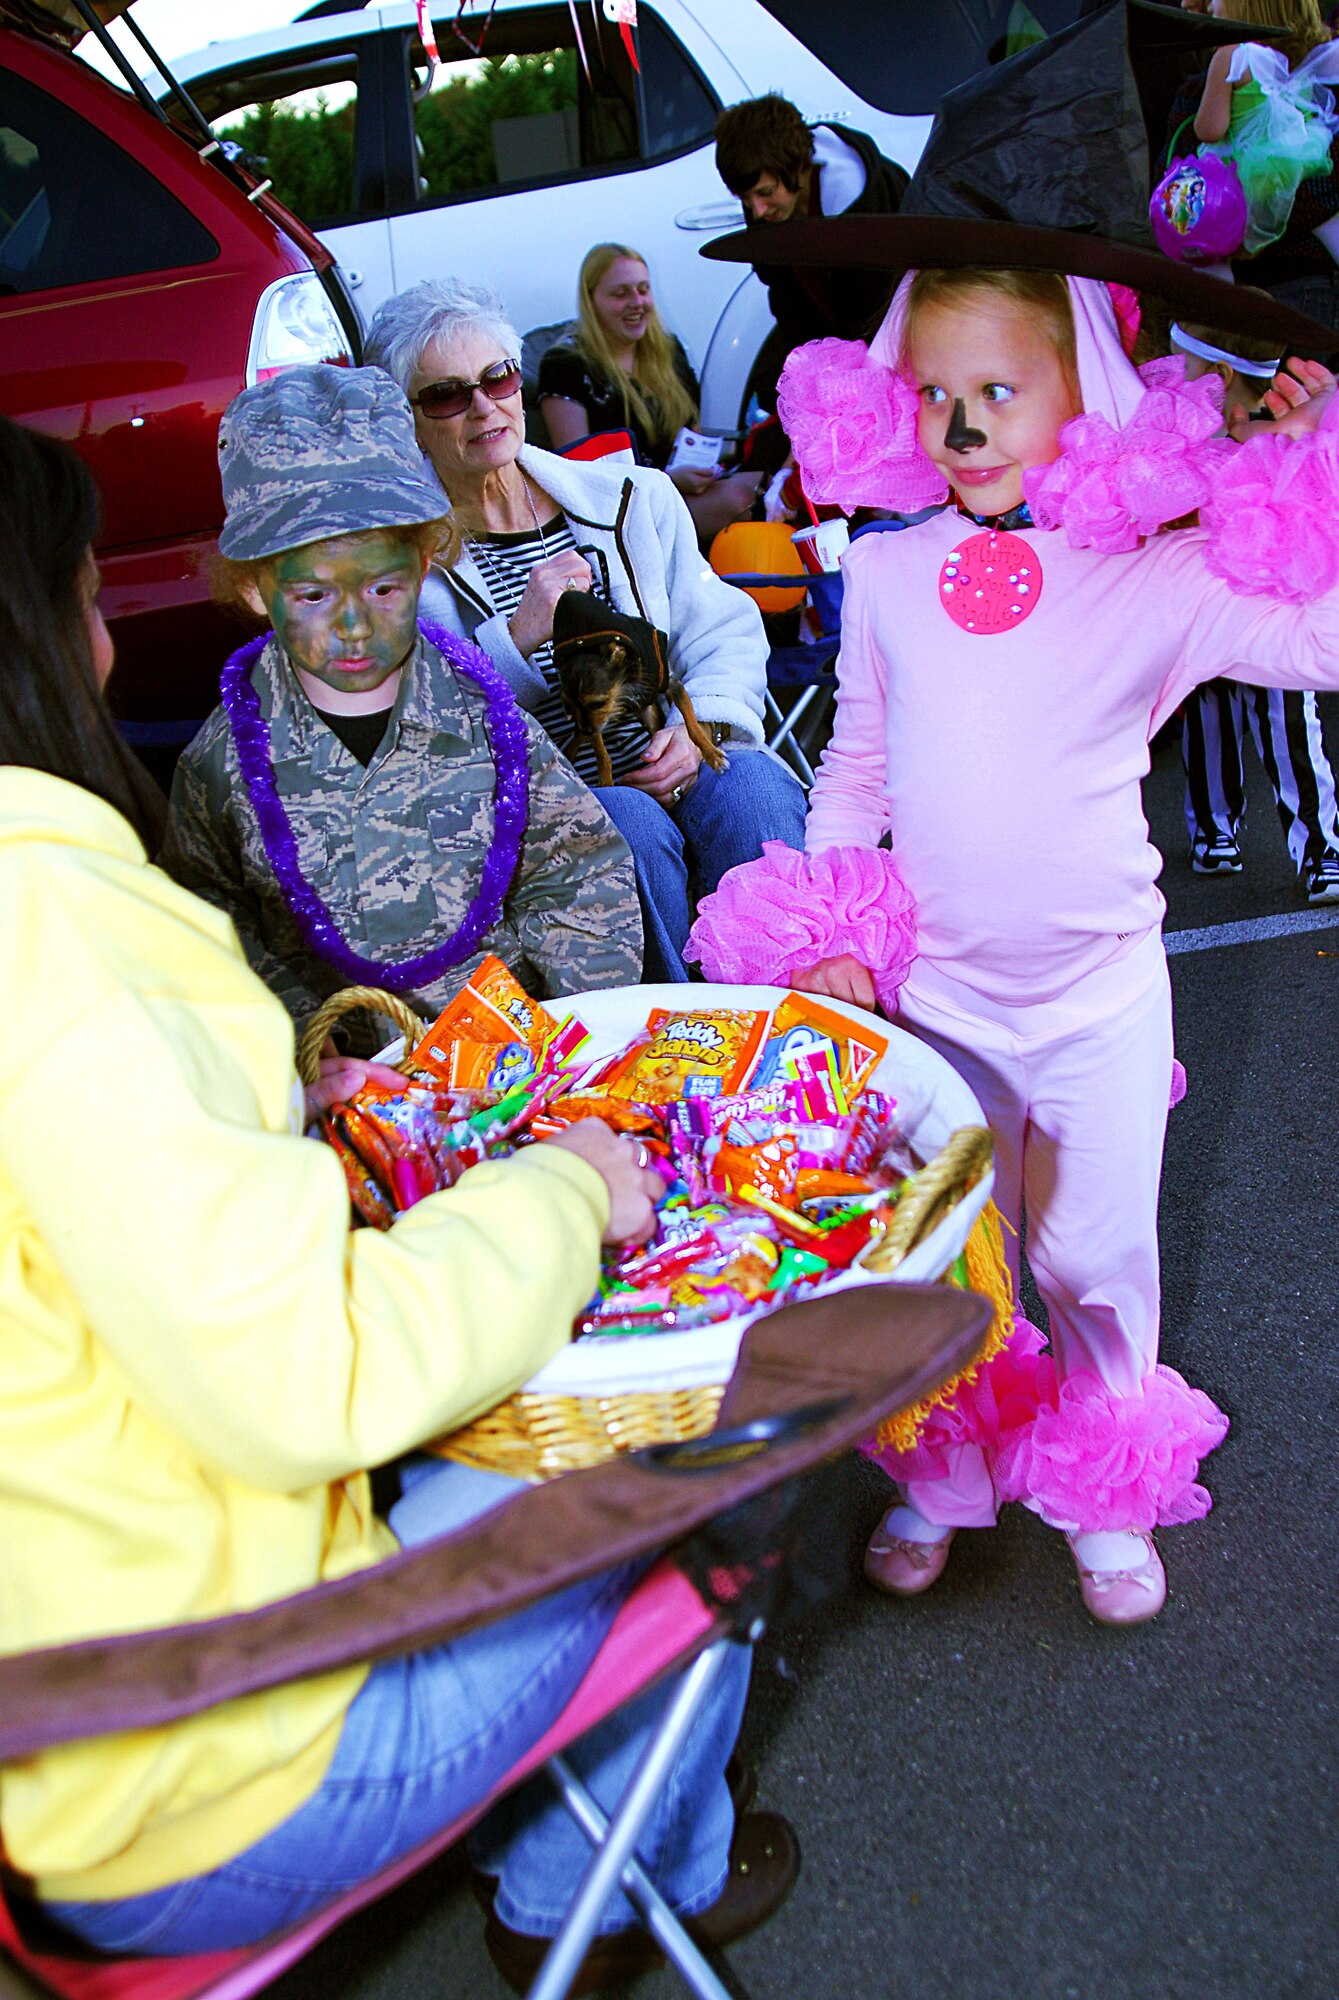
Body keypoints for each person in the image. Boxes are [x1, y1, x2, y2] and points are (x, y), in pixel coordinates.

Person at [0, 410, 798, 1986]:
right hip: (184, 1760)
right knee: (702, 1437)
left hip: (89, 1653)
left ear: (422, 567)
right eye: (87, 600)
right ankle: (606, 1885)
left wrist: (372, 1084)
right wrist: (562, 1192)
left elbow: (100, 1191)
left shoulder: (473, 717)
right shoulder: (78, 934)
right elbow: (313, 1377)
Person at [690, 265, 1339, 1625]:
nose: (962, 425)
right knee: (956, 1252)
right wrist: (834, 924)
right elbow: (855, 767)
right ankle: (948, 1473)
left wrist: (1307, 455)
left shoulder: (1145, 573)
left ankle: (1103, 1486)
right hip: (937, 999)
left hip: (1098, 995)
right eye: (933, 394)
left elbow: (1319, 640)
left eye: (998, 391)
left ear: (1082, 395)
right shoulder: (880, 572)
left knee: (1092, 1257)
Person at [162, 365, 642, 1036]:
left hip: (503, 1068)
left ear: (421, 567)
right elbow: (206, 932)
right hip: (344, 1090)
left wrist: (559, 1024)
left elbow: (580, 869)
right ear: (254, 594)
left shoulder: (487, 719)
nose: (354, 623)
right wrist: (300, 1050)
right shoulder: (222, 763)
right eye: (313, 595)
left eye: (383, 589)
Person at [365, 277, 807, 985]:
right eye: (447, 395)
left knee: (753, 783)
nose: (483, 407)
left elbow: (721, 631)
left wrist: (703, 735)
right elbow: (422, 733)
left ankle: (794, 1023)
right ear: (408, 419)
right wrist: (515, 639)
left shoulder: (630, 498)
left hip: (673, 753)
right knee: (625, 823)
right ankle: (674, 1038)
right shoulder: (402, 567)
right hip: (554, 806)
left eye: (497, 378)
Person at [1171, 312, 1339, 899]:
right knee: (1207, 714)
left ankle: (1321, 844)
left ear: (1218, 372)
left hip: (1269, 603)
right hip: (1204, 608)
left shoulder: (1276, 434)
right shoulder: (1177, 440)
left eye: (1185, 367)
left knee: (1289, 716)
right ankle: (1215, 829)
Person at [537, 242, 762, 545]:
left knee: (768, 482)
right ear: (591, 301)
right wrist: (669, 482)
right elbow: (580, 478)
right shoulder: (565, 365)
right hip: (623, 518)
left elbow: (693, 436)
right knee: (741, 498)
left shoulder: (667, 350)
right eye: (620, 294)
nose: (637, 302)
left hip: (680, 495)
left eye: (643, 289)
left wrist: (701, 469)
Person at [713, 92, 909, 403]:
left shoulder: (874, 202)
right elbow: (787, 302)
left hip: (896, 352)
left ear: (797, 165)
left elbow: (892, 307)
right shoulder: (769, 208)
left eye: (765, 192)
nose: (759, 211)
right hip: (832, 352)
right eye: (746, 200)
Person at [1192, 0, 1339, 255]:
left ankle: (1227, 292)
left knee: (1210, 243)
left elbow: (1211, 130)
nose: (1209, 4)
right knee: (1326, 221)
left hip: (1241, 173)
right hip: (1295, 160)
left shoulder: (1231, 54)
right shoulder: (1302, 58)